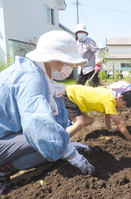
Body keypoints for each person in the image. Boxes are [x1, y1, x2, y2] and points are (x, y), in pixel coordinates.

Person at [0, 31, 95, 195]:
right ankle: (1, 175)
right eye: (68, 63)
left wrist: (67, 144)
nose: (70, 68)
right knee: (46, 141)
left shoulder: (40, 75)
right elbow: (38, 125)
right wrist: (71, 154)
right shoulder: (30, 78)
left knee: (55, 144)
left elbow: (53, 121)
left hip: (5, 137)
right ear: (52, 58)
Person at [62, 81, 131, 142]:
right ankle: (59, 139)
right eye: (123, 104)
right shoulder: (109, 101)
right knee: (79, 123)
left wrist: (110, 129)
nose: (121, 107)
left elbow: (107, 115)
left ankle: (68, 123)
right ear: (120, 97)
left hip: (74, 96)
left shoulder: (108, 95)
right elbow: (119, 123)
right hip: (70, 96)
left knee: (89, 119)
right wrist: (129, 137)